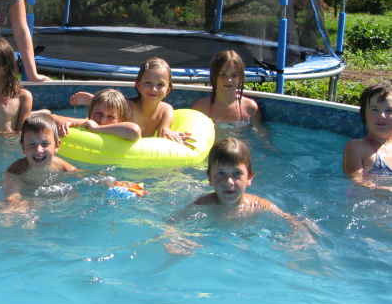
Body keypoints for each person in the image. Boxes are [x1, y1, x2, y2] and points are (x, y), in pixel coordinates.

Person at [165, 137, 319, 254]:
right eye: (220, 173)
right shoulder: (203, 204)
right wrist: (174, 239)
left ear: (250, 177)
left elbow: (291, 220)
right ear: (210, 178)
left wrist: (301, 237)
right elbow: (170, 223)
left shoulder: (259, 205)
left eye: (237, 173)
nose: (228, 181)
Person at [70, 58, 190, 144]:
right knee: (102, 114)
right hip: (119, 120)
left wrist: (170, 133)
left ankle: (93, 99)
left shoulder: (166, 110)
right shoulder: (129, 107)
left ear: (168, 90)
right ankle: (94, 100)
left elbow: (163, 131)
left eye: (160, 84)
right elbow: (99, 122)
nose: (154, 89)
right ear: (138, 85)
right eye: (148, 83)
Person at [342, 82, 392, 190]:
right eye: (374, 110)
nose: (382, 116)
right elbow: (355, 181)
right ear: (364, 114)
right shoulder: (357, 147)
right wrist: (385, 190)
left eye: (389, 110)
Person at [192, 50, 262, 124]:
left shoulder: (250, 108)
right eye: (223, 74)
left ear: (240, 77)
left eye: (234, 75)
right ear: (214, 76)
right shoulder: (201, 107)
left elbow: (260, 131)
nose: (229, 80)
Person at [50, 88, 141, 141]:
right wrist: (62, 122)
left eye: (110, 116)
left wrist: (96, 128)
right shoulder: (88, 123)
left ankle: (92, 100)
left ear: (121, 120)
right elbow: (50, 118)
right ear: (90, 113)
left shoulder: (121, 129)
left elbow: (134, 131)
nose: (103, 120)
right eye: (98, 113)